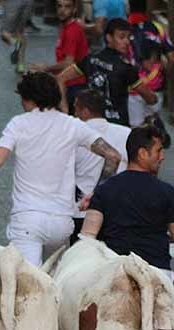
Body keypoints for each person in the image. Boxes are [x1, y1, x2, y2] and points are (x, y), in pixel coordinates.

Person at [0, 71, 123, 266]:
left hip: (28, 220)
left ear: (28, 99)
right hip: (62, 223)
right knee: (54, 285)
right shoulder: (72, 124)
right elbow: (113, 156)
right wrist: (96, 193)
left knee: (28, 287)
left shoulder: (20, 123)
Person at [81, 124, 174, 277]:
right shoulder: (167, 192)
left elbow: (87, 238)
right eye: (158, 151)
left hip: (115, 273)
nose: (162, 156)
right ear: (142, 153)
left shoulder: (104, 189)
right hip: (156, 273)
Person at [59, 18, 156, 127]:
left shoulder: (91, 59)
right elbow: (150, 98)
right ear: (109, 38)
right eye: (121, 37)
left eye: (128, 37)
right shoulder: (126, 68)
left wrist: (65, 110)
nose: (127, 41)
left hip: (89, 124)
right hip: (116, 126)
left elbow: (61, 78)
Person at [72, 88, 129, 233]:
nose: (74, 114)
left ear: (85, 112)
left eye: (76, 109)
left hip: (80, 211)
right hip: (119, 210)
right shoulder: (127, 133)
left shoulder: (74, 134)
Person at [29, 0, 89, 113]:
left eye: (67, 7)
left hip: (73, 86)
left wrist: (45, 68)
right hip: (69, 84)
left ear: (74, 9)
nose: (62, 10)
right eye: (60, 6)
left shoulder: (72, 31)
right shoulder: (67, 27)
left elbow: (68, 62)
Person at [0, 0, 31, 73]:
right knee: (20, 32)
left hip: (13, 3)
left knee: (4, 32)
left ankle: (14, 42)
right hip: (28, 2)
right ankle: (21, 66)